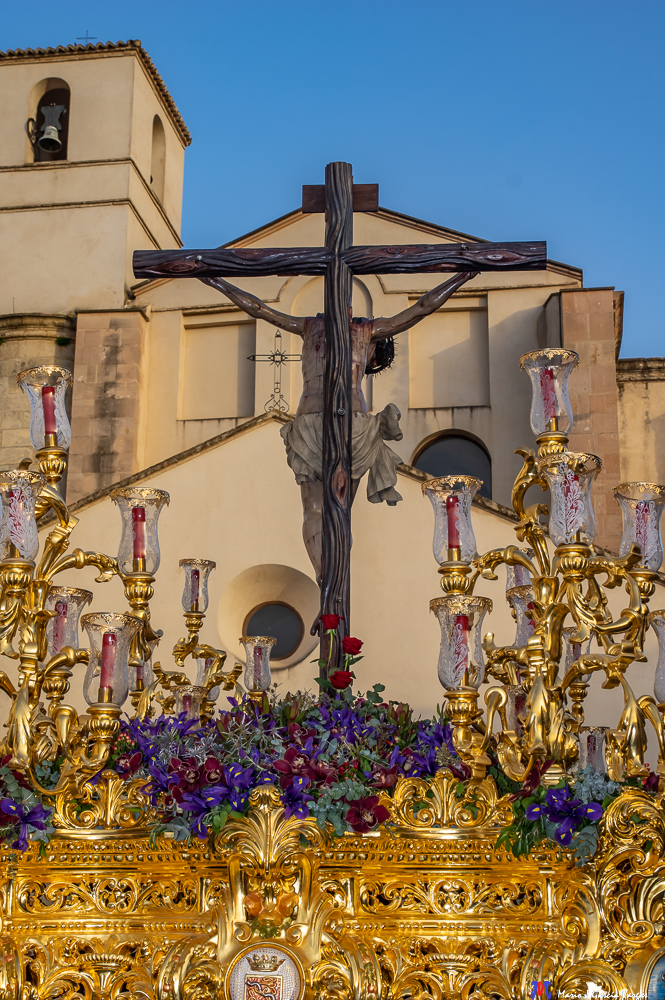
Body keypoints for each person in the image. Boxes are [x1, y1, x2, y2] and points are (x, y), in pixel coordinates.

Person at [201, 271, 478, 580]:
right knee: (337, 513)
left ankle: (328, 580)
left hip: (322, 425)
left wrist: (217, 281)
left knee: (319, 511)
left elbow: (258, 308)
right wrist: (461, 276)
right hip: (346, 427)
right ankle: (330, 582)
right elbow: (423, 307)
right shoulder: (353, 329)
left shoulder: (324, 327)